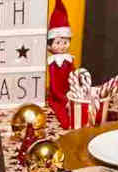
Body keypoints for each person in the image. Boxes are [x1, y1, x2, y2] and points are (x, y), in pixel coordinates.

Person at [46, 0, 75, 128]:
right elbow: (54, 82)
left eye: (65, 42)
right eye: (58, 43)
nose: (62, 46)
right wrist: (61, 96)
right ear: (50, 45)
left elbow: (73, 74)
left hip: (70, 91)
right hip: (58, 95)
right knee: (63, 114)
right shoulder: (53, 63)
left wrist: (75, 88)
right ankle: (66, 122)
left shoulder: (69, 59)